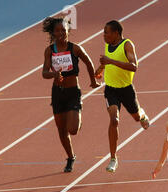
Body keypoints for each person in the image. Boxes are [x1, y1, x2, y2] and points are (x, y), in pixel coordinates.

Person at [42, 16, 100, 172]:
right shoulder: (50, 51)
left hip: (73, 92)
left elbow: (88, 62)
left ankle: (77, 113)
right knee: (61, 130)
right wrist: (54, 75)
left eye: (63, 30)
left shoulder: (75, 48)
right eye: (57, 30)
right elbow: (44, 72)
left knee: (73, 129)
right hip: (57, 93)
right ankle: (71, 157)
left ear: (68, 31)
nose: (61, 33)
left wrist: (93, 81)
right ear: (53, 33)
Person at [95, 20, 150, 173]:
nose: (104, 35)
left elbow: (134, 66)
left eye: (106, 32)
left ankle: (142, 114)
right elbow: (107, 61)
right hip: (110, 89)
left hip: (126, 89)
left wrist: (110, 61)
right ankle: (113, 158)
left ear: (116, 33)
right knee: (114, 120)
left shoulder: (127, 44)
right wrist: (100, 68)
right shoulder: (108, 45)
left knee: (137, 117)